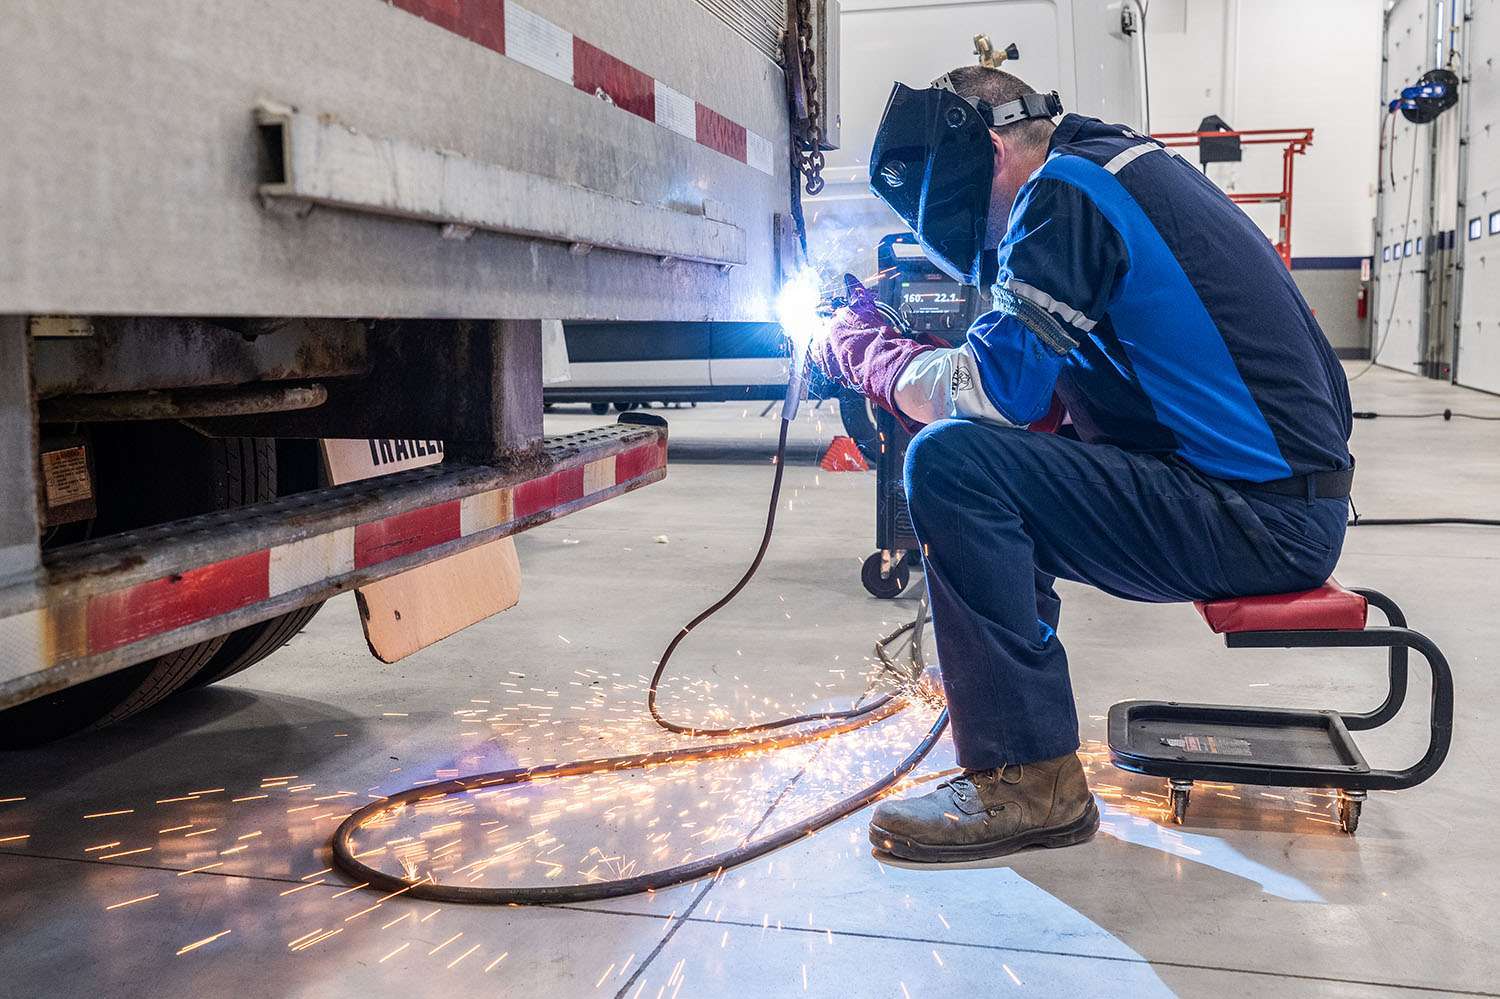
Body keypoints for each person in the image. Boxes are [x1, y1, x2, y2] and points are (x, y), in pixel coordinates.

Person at [813, 66, 1353, 863]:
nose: (976, 238)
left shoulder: (1063, 192)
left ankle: (1027, 779)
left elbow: (987, 396)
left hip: (1258, 518)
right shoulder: (1114, 167)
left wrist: (865, 355)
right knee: (990, 460)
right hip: (1278, 501)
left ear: (991, 153)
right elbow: (1033, 402)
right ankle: (1018, 728)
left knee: (953, 465)